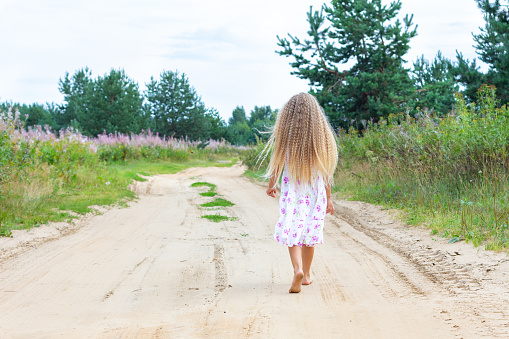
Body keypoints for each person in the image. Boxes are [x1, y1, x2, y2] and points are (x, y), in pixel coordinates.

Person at [259, 92, 338, 293]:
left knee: (292, 231)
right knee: (309, 235)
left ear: (288, 116)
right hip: (316, 194)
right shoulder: (321, 141)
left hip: (293, 193)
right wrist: (328, 198)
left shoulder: (287, 139)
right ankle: (307, 276)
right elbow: (326, 172)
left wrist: (271, 185)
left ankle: (297, 269)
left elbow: (276, 166)